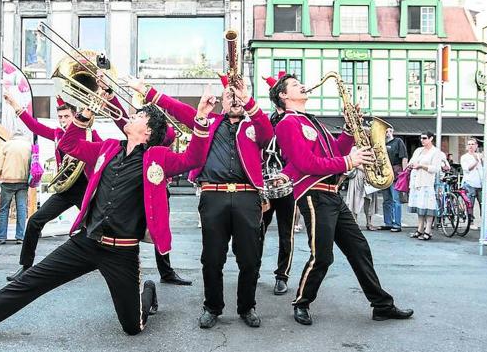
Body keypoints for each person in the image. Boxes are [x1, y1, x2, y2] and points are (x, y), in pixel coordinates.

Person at [0, 94, 213, 340]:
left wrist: (200, 118)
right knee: (28, 283)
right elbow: (69, 144)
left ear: (148, 131)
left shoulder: (158, 158)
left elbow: (195, 158)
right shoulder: (107, 148)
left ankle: (147, 293)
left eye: (138, 115)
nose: (131, 115)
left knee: (132, 327)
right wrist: (85, 113)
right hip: (86, 242)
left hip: (122, 252)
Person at [270, 73, 413, 326]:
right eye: (294, 84)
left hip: (333, 194)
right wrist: (350, 161)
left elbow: (334, 152)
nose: (302, 85)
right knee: (322, 256)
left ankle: (382, 305)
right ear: (283, 95)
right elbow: (306, 163)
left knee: (360, 249)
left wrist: (349, 130)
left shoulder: (313, 122)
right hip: (313, 193)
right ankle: (301, 302)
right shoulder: (287, 123)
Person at [135, 77, 273, 329]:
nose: (235, 99)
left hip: (246, 196)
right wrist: (147, 90)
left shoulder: (254, 124)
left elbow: (268, 134)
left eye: (239, 95)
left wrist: (248, 100)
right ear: (221, 99)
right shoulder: (208, 122)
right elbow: (176, 107)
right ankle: (212, 307)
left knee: (250, 259)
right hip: (213, 196)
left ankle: (247, 307)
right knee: (211, 258)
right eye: (230, 95)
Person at [2, 93, 101, 281]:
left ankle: (107, 265)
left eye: (67, 117)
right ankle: (25, 267)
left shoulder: (90, 133)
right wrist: (14, 103)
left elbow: (103, 154)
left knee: (98, 227)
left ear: (75, 116)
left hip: (86, 189)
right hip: (66, 189)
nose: (63, 121)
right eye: (61, 117)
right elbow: (34, 126)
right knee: (34, 222)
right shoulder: (57, 135)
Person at [102, 81, 192, 286]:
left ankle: (166, 271)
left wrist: (157, 109)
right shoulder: (135, 126)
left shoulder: (164, 130)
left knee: (158, 227)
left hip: (156, 184)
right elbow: (121, 120)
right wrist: (110, 98)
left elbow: (169, 135)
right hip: (133, 181)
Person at [260, 72, 296, 296]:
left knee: (286, 233)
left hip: (287, 187)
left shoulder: (297, 120)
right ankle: (253, 269)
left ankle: (282, 276)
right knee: (257, 231)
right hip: (264, 185)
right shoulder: (266, 120)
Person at [0, 129, 31, 245]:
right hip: (23, 181)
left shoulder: (6, 145)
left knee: (4, 209)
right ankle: (20, 237)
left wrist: (3, 174)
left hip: (7, 181)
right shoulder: (29, 146)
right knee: (21, 208)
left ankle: (1, 237)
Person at [407, 131, 443, 241]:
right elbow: (412, 161)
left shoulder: (436, 152)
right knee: (419, 207)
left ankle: (428, 230)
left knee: (428, 207)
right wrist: (411, 165)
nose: (422, 140)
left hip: (426, 182)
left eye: (425, 138)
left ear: (431, 138)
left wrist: (422, 166)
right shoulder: (418, 150)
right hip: (416, 181)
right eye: (421, 138)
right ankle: (420, 229)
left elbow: (436, 168)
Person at [381, 128, 408, 232]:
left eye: (388, 131)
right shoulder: (381, 143)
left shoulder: (398, 141)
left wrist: (404, 173)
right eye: (385, 131)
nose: (387, 133)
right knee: (386, 200)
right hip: (384, 173)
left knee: (396, 199)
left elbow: (404, 157)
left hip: (395, 173)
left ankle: (397, 224)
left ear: (392, 132)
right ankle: (388, 223)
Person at [460, 138, 483, 225]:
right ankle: (471, 222)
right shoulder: (464, 157)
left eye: (473, 144)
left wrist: (481, 159)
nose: (471, 146)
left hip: (481, 183)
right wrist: (476, 161)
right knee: (470, 204)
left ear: (476, 146)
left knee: (483, 204)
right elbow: (467, 168)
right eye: (469, 144)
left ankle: (484, 222)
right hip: (470, 183)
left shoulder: (480, 156)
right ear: (466, 147)